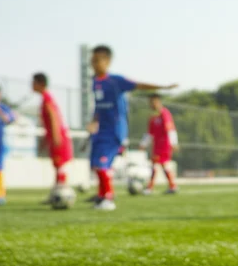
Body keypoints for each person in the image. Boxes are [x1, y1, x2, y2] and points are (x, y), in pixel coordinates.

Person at [88, 45, 178, 211]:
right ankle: (102, 195)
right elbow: (99, 107)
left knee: (103, 164)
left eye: (97, 60)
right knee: (96, 164)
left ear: (107, 61)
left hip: (115, 131)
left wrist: (163, 87)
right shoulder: (95, 82)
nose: (93, 63)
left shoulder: (115, 81)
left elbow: (138, 85)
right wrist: (93, 122)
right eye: (92, 60)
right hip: (101, 130)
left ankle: (108, 198)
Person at [32, 73, 74, 202]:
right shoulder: (45, 98)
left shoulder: (47, 98)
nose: (32, 85)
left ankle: (60, 193)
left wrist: (56, 136)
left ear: (40, 83)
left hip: (58, 137)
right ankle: (56, 194)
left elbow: (53, 117)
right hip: (54, 136)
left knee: (60, 166)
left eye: (33, 82)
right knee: (57, 167)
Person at [139, 94, 179, 195]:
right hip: (156, 145)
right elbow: (150, 133)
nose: (152, 104)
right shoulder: (152, 117)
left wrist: (174, 143)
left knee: (156, 165)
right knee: (162, 165)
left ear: (158, 102)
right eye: (150, 102)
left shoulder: (165, 113)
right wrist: (143, 143)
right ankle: (172, 186)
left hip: (165, 144)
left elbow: (170, 129)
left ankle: (150, 188)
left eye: (153, 102)